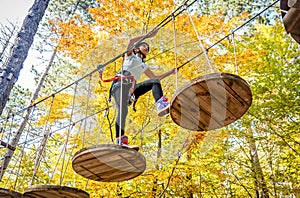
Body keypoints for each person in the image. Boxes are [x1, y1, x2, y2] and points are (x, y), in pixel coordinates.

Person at [110, 28, 176, 149]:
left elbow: (155, 77)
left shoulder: (143, 65)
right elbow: (130, 41)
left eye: (147, 47)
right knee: (123, 111)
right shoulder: (130, 56)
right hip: (120, 85)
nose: (146, 48)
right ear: (136, 49)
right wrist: (147, 35)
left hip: (131, 89)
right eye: (144, 46)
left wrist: (170, 73)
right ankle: (120, 140)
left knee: (154, 82)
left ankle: (160, 105)